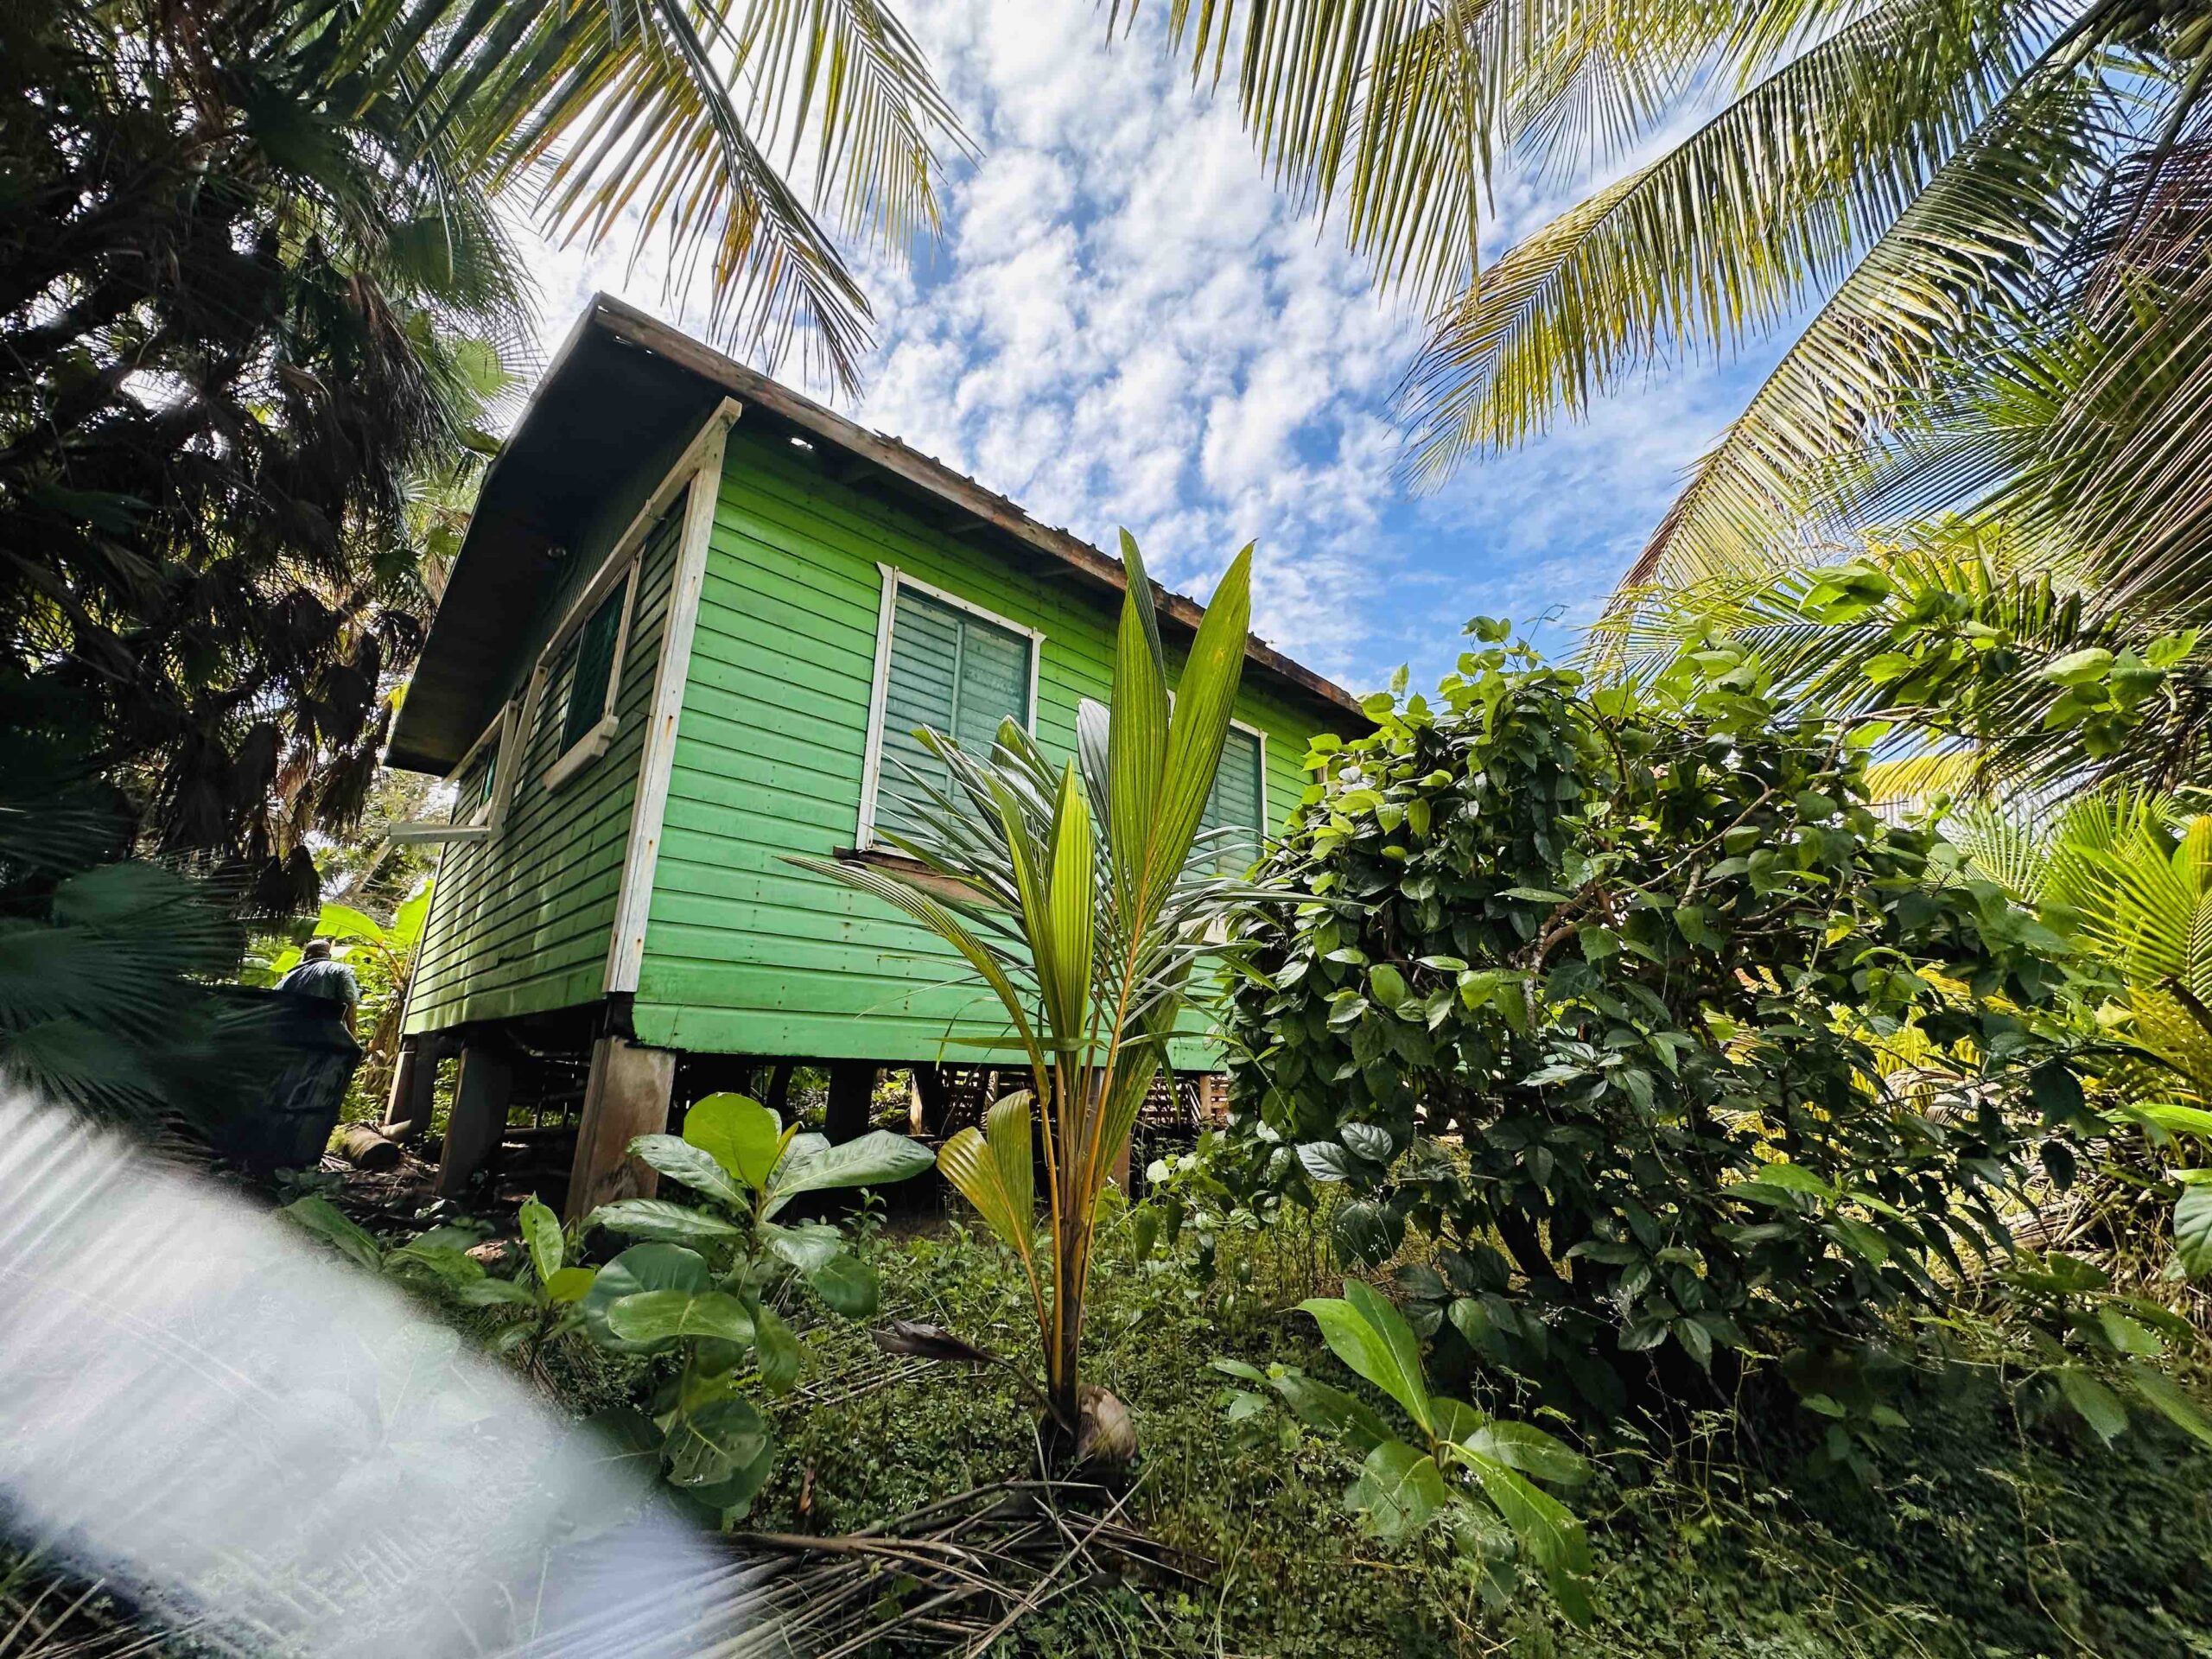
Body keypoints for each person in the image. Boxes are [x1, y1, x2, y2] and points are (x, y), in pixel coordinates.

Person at [276, 938, 360, 1035]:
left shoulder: (288, 977)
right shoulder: (340, 970)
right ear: (329, 955)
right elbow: (351, 1002)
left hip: (292, 1035)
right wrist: (353, 1034)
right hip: (326, 1035)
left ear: (305, 956)